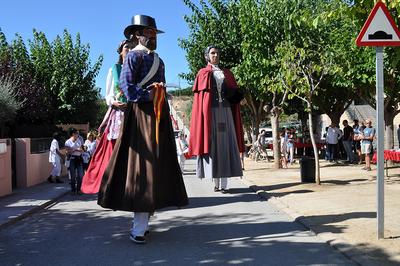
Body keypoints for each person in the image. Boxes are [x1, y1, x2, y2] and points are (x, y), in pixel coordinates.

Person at [97, 15, 188, 244]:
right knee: (143, 168)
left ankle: (143, 222)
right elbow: (127, 89)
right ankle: (138, 227)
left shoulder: (159, 59)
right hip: (140, 117)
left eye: (154, 33)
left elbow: (162, 86)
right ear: (138, 35)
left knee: (157, 168)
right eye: (149, 32)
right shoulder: (133, 57)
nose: (153, 36)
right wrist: (150, 94)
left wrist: (161, 94)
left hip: (159, 117)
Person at [81, 39, 135, 194]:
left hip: (133, 112)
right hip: (118, 114)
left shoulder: (136, 70)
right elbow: (108, 95)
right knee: (115, 151)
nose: (129, 50)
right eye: (126, 48)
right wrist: (114, 103)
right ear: (120, 51)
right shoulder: (114, 69)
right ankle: (113, 188)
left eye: (131, 48)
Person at [189, 45, 245, 193]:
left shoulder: (227, 73)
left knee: (226, 145)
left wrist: (238, 95)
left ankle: (225, 184)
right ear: (207, 56)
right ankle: (215, 182)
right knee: (213, 145)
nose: (215, 55)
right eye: (212, 53)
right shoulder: (202, 73)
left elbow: (233, 93)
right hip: (210, 113)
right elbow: (201, 100)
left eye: (217, 53)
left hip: (226, 112)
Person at [65, 128, 84, 195]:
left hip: (79, 158)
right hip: (72, 159)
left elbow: (82, 150)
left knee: (80, 175)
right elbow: (67, 152)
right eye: (77, 133)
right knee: (72, 176)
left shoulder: (80, 140)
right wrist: (76, 149)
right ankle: (73, 190)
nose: (78, 135)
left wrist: (73, 150)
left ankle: (78, 189)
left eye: (78, 133)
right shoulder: (68, 142)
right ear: (73, 134)